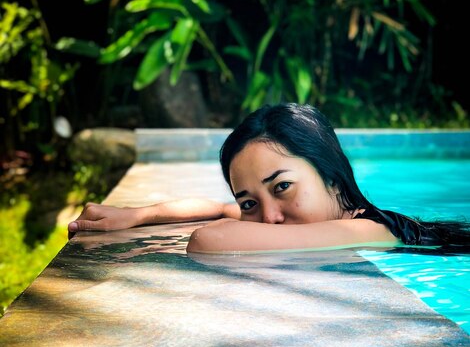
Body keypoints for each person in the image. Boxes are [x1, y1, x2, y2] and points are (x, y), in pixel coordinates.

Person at [68, 103, 470, 254]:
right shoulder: (324, 216)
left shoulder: (366, 230)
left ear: (332, 177)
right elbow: (217, 209)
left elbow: (212, 239)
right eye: (251, 202)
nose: (270, 217)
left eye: (282, 187)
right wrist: (136, 216)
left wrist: (237, 217)